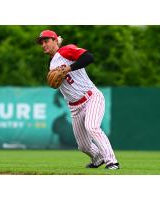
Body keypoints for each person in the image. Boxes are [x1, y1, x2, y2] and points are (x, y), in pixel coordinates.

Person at [37, 30, 120, 169]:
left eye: (46, 41)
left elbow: (89, 57)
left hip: (91, 97)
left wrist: (70, 67)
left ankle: (112, 161)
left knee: (92, 127)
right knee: (83, 146)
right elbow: (55, 77)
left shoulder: (67, 50)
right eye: (41, 43)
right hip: (74, 107)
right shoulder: (51, 64)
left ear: (55, 41)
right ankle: (98, 158)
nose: (43, 45)